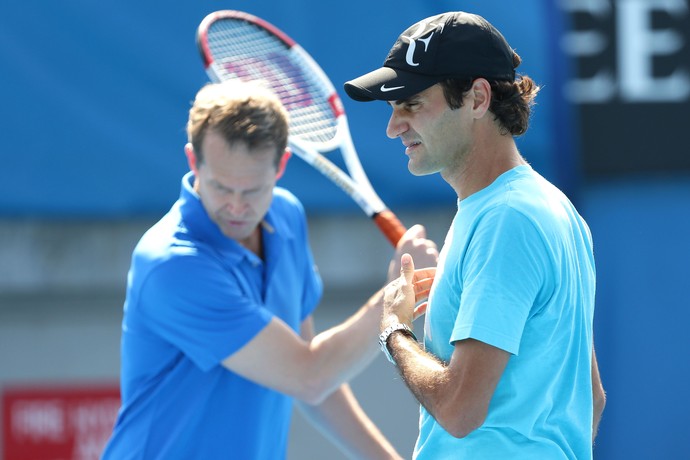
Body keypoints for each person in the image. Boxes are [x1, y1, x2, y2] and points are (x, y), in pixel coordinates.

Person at [101, 80, 438, 459]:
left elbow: (312, 377)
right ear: (194, 161)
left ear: (281, 165)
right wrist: (393, 297)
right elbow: (309, 376)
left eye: (252, 191)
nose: (236, 207)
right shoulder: (172, 265)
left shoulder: (287, 216)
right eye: (221, 187)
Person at [343, 11, 606, 459]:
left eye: (412, 104)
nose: (393, 126)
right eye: (392, 108)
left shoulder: (508, 219)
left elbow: (461, 410)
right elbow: (591, 399)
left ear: (477, 97)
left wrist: (394, 331)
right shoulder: (545, 208)